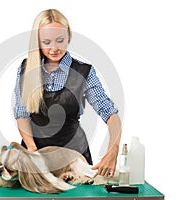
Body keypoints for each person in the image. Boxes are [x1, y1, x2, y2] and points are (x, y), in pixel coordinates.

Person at [13, 9, 122, 177]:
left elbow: (110, 115)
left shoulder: (85, 72)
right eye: (46, 42)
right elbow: (22, 115)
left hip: (75, 158)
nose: (54, 48)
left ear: (69, 37)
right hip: (36, 156)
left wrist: (113, 151)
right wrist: (32, 151)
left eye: (60, 40)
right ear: (38, 42)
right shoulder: (27, 69)